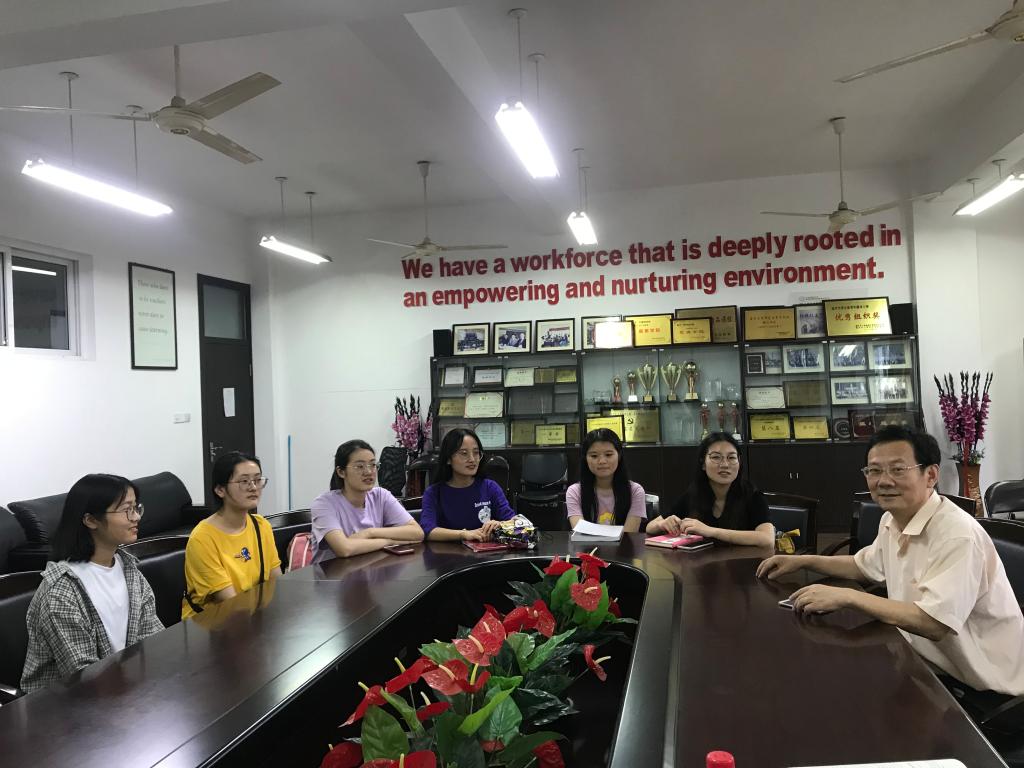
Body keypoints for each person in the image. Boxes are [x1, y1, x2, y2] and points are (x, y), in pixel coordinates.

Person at [757, 426, 1024, 706]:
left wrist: (849, 597)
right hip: (926, 665)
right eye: (874, 470)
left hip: (985, 689)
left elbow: (934, 622)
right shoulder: (892, 519)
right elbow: (863, 566)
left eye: (898, 470)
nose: (883, 481)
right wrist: (802, 561)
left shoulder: (956, 533)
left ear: (931, 475)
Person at [21, 474, 163, 693]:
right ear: (91, 520)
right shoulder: (61, 590)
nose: (136, 517)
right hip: (64, 705)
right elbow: (84, 675)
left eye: (136, 508)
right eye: (126, 510)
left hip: (127, 690)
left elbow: (153, 640)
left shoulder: (129, 570)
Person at [182, 452, 282, 619]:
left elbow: (276, 582)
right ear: (220, 490)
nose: (253, 487)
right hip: (212, 624)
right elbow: (230, 601)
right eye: (244, 481)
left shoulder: (261, 526)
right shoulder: (203, 538)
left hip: (254, 617)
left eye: (257, 480)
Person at [646, 432, 774, 546]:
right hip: (704, 563)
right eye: (716, 457)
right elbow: (650, 527)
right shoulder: (694, 494)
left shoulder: (753, 496)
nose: (725, 464)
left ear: (739, 463)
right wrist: (662, 524)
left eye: (731, 457)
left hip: (744, 563)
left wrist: (710, 531)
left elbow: (767, 539)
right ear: (703, 463)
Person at [310, 440, 424, 562]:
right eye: (360, 466)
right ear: (341, 472)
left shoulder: (381, 495)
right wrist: (389, 541)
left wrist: (370, 533)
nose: (369, 472)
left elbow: (417, 532)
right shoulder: (324, 503)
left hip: (369, 568)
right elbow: (344, 549)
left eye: (373, 465)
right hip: (332, 573)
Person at [420, 428, 514, 541]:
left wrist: (501, 525)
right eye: (464, 453)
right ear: (448, 459)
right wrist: (463, 534)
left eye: (476, 453)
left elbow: (515, 522)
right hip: (448, 551)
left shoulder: (490, 487)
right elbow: (427, 531)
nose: (472, 459)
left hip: (485, 551)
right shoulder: (434, 492)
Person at [566, 428, 646, 532]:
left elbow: (629, 534)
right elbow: (580, 532)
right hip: (587, 543)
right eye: (594, 456)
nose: (602, 461)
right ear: (585, 459)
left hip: (623, 543)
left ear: (619, 456)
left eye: (608, 455)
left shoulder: (635, 491)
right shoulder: (574, 492)